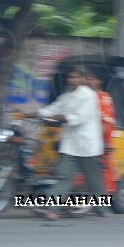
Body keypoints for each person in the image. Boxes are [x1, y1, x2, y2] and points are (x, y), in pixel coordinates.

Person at [29, 67, 107, 220]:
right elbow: (51, 109)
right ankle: (52, 210)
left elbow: (76, 119)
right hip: (70, 145)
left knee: (94, 181)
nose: (71, 80)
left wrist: (57, 118)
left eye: (75, 77)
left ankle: (101, 209)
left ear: (82, 79)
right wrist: (27, 114)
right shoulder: (67, 96)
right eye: (70, 77)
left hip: (87, 146)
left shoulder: (89, 96)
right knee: (63, 176)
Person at [85, 71, 115, 195]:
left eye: (92, 79)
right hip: (88, 141)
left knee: (101, 173)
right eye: (88, 79)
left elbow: (105, 122)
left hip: (100, 142)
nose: (89, 82)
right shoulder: (87, 96)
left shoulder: (103, 98)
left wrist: (102, 142)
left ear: (100, 81)